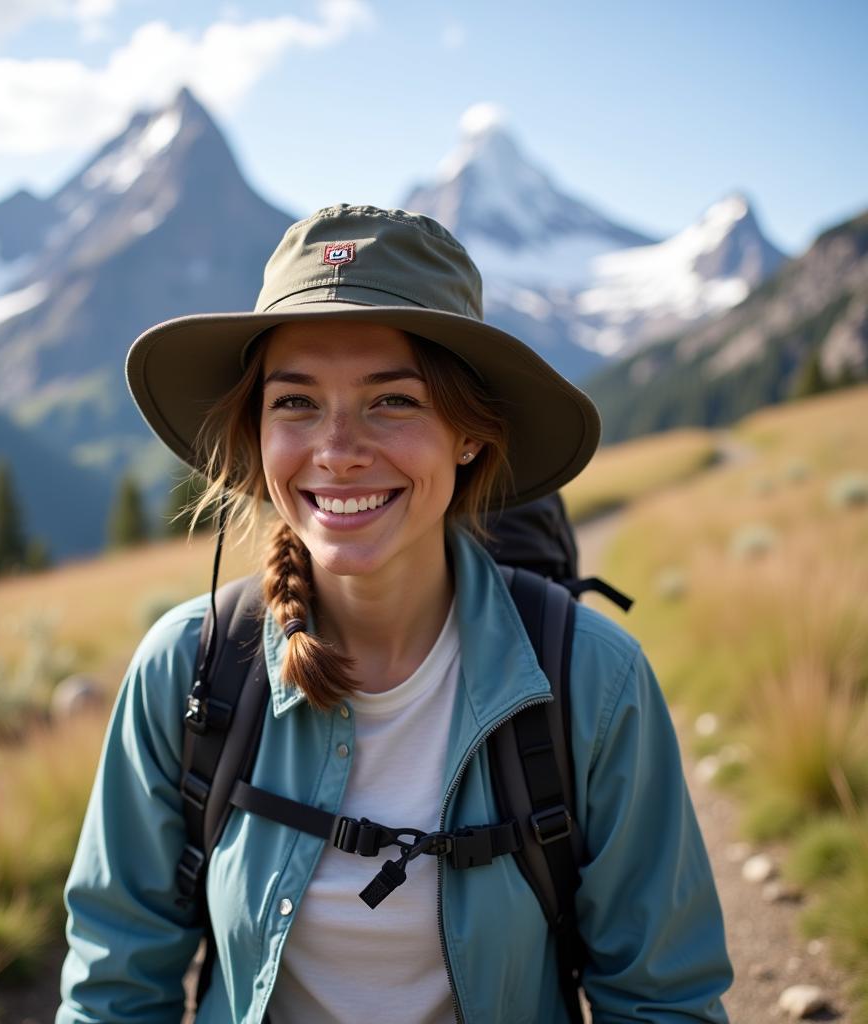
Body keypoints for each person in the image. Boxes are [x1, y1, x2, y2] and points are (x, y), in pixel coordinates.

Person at [57, 204, 732, 1023]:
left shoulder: (593, 680)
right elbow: (114, 991)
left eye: (393, 402)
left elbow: (664, 1004)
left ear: (470, 435)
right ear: (255, 433)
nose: (337, 449)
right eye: (296, 403)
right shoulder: (187, 673)